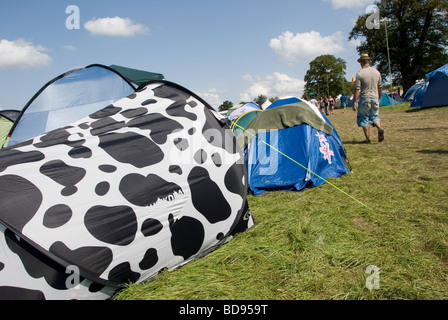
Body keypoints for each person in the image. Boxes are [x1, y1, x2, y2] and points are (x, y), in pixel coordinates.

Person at [353, 53, 385, 143]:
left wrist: (354, 102)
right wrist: (379, 96)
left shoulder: (360, 74)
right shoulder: (377, 72)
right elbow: (380, 86)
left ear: (361, 63)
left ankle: (367, 139)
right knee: (375, 116)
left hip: (365, 98)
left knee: (364, 118)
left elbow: (357, 89)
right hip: (375, 98)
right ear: (369, 61)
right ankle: (379, 127)